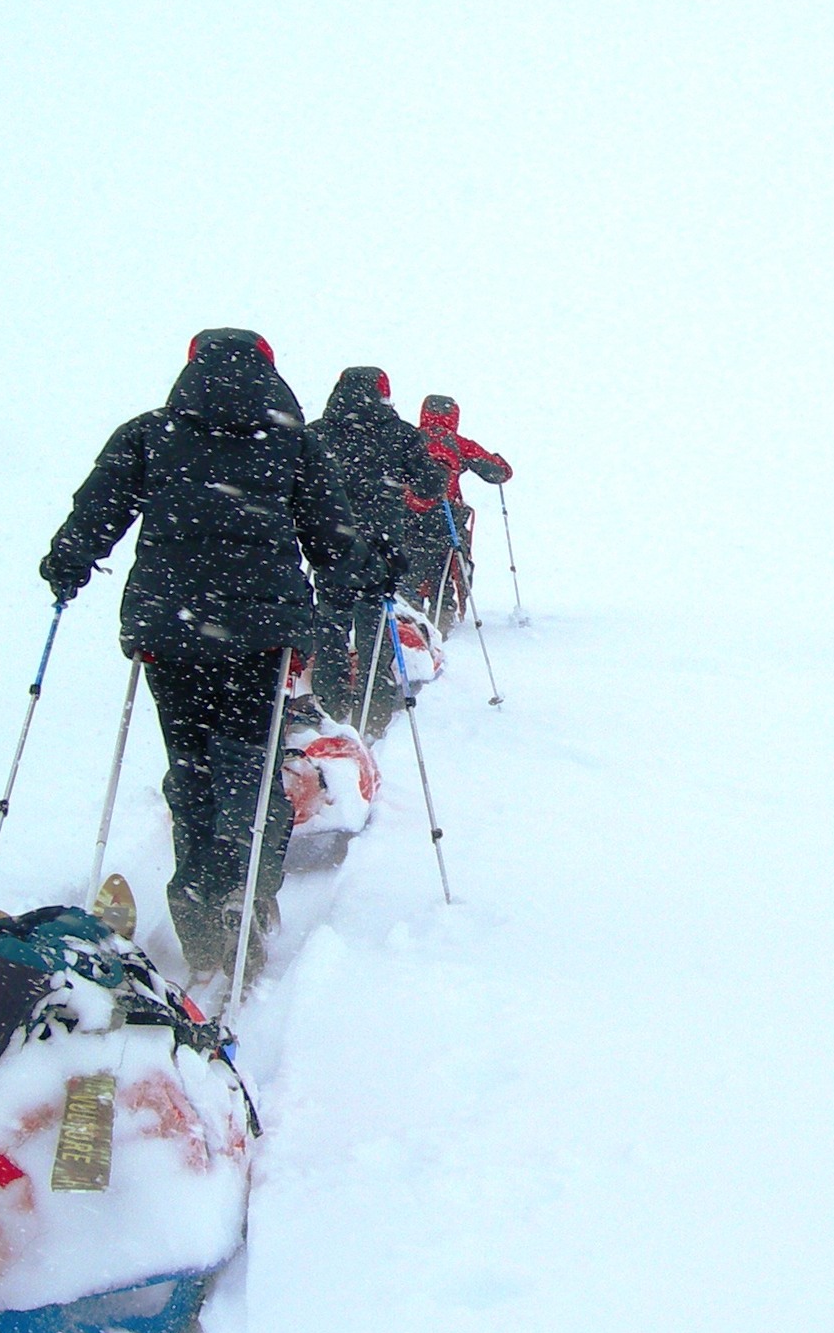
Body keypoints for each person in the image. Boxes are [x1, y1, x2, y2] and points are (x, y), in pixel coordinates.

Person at [38, 329, 390, 993]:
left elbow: (98, 510)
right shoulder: (292, 441)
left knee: (192, 762)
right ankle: (245, 895)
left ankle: (200, 902)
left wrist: (69, 561)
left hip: (171, 632)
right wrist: (354, 579)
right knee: (252, 769)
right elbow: (332, 533)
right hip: (259, 634)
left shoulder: (151, 432)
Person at [306, 367, 442, 738]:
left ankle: (331, 708)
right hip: (381, 548)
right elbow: (430, 484)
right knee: (374, 629)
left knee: (331, 624)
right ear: (384, 394)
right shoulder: (399, 434)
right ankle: (374, 711)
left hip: (331, 543)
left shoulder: (317, 433)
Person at [400, 394, 512, 628]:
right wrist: (500, 463)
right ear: (454, 417)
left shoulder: (408, 438)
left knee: (410, 564)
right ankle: (443, 616)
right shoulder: (458, 443)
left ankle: (409, 616)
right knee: (445, 567)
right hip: (446, 516)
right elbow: (499, 472)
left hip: (408, 515)